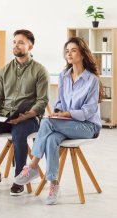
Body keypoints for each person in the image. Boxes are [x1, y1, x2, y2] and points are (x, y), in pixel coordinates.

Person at [14, 37, 102, 205]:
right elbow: (60, 102)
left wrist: (67, 114)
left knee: (47, 123)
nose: (69, 54)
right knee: (52, 138)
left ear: (82, 54)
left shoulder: (92, 80)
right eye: (67, 51)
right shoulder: (64, 76)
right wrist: (58, 113)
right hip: (66, 124)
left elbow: (88, 111)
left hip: (88, 126)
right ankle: (54, 185)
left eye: (73, 50)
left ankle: (32, 166)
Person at [0, 29, 49, 195]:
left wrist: (25, 116)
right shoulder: (4, 71)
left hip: (28, 118)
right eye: (14, 42)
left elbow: (42, 101)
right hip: (5, 116)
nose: (16, 45)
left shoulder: (40, 70)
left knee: (19, 134)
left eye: (21, 42)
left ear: (30, 46)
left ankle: (19, 178)